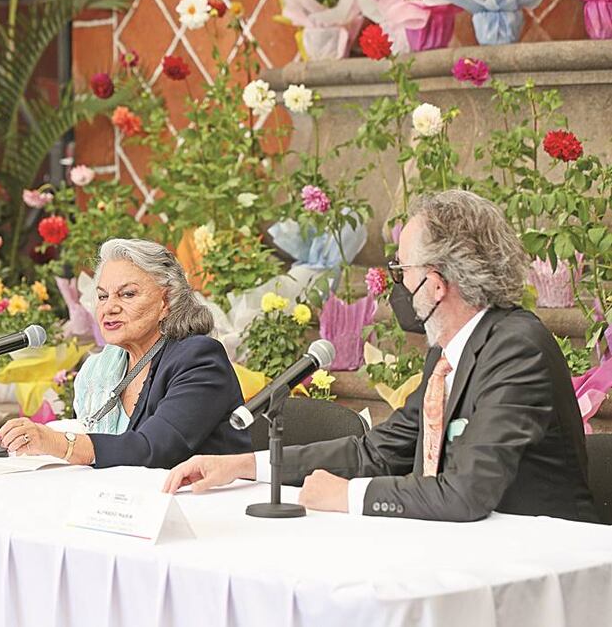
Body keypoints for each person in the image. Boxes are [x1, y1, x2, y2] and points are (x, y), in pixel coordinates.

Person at [165, 190, 598, 523]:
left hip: (543, 561)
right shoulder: (449, 351)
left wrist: (348, 496)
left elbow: (467, 492)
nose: (399, 286)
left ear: (437, 283)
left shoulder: (516, 348)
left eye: (402, 270)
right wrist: (244, 466)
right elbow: (375, 451)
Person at [0, 238, 251, 468]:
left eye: (127, 294)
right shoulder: (98, 370)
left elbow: (154, 449)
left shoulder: (200, 359)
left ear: (166, 301)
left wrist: (55, 441)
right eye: (102, 296)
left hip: (198, 500)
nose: (109, 308)